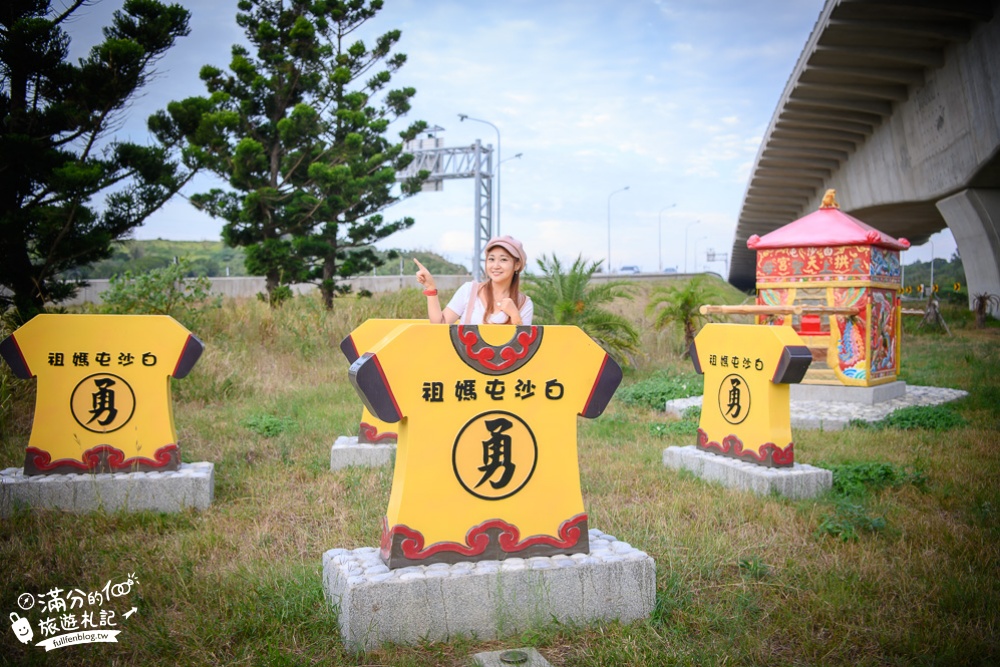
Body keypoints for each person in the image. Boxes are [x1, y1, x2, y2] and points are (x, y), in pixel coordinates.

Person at [414, 235, 534, 325]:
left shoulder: (524, 304)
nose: (496, 265)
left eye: (503, 260)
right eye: (491, 259)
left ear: (517, 265)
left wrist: (515, 316)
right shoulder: (469, 290)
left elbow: (524, 349)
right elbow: (440, 325)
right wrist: (430, 288)